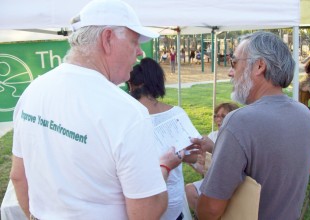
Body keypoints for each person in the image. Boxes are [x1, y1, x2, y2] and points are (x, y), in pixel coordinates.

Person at [9, 0, 184, 219]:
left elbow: (18, 176)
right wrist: (164, 168)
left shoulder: (33, 91)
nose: (139, 52)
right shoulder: (127, 111)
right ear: (108, 38)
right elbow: (146, 212)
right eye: (134, 41)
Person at [194, 31, 310, 220]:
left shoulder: (240, 120)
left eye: (234, 62)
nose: (230, 72)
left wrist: (195, 201)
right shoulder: (303, 113)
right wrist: (217, 150)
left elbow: (209, 211)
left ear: (259, 66)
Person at [127, 57, 200, 220]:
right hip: (173, 202)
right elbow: (195, 155)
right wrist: (179, 157)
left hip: (141, 204)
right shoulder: (177, 114)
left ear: (131, 85)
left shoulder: (126, 119)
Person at [185, 102, 239, 213]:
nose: (218, 119)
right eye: (216, 116)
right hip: (211, 180)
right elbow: (203, 170)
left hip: (231, 183)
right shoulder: (212, 136)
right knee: (189, 190)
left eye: (223, 116)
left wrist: (213, 150)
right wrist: (190, 160)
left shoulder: (237, 137)